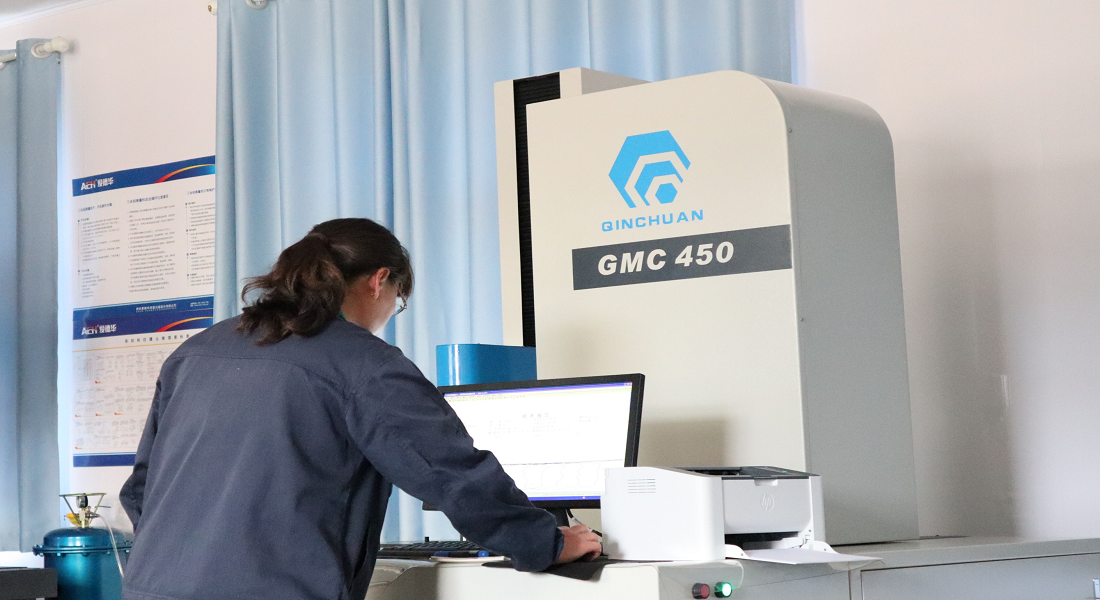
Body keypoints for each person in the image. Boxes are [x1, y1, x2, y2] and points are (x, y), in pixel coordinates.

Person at [118, 218, 601, 600]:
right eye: (398, 300)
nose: (390, 312)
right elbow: (450, 472)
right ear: (379, 281)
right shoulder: (364, 364)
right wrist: (548, 541)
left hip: (150, 587)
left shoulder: (198, 350)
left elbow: (142, 488)